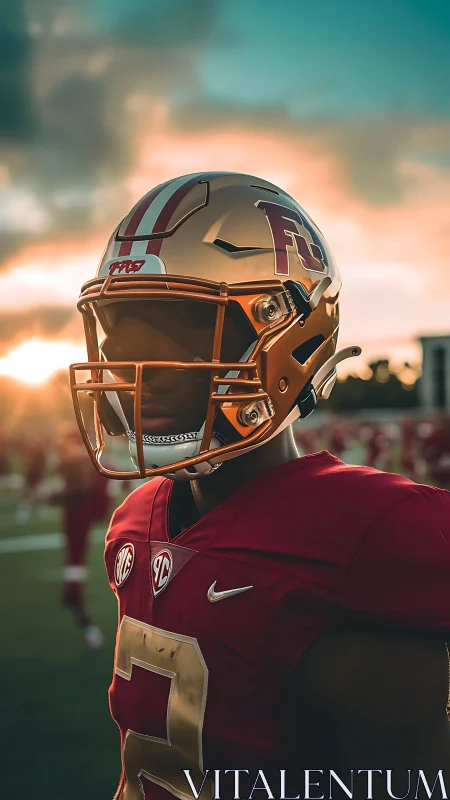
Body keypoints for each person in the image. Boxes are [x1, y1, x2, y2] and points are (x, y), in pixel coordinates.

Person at [70, 172, 450, 799]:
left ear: (286, 333)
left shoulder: (363, 540)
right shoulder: (138, 520)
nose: (134, 367)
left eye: (182, 329)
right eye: (121, 331)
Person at [57, 425, 109, 648]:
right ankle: (73, 593)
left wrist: (52, 495)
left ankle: (74, 595)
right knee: (75, 557)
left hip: (77, 511)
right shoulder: (82, 457)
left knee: (75, 560)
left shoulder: (74, 458)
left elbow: (79, 488)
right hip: (81, 511)